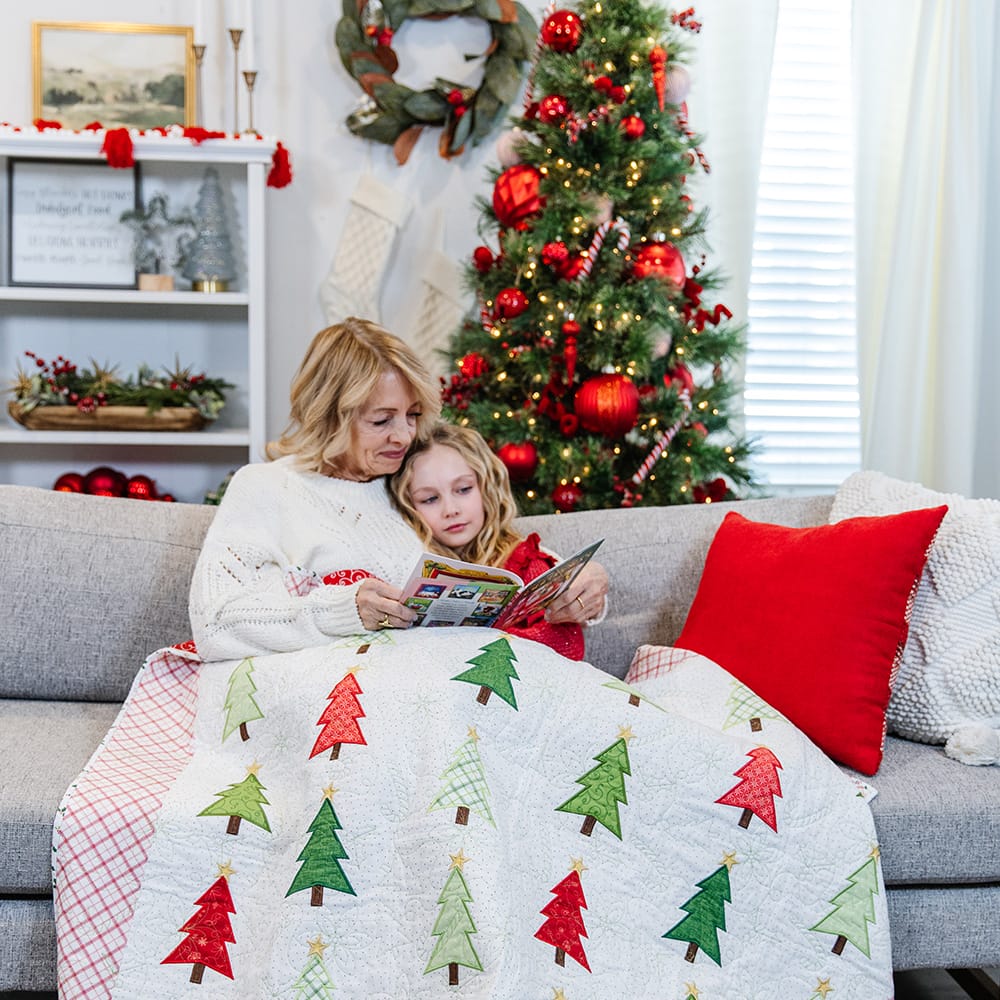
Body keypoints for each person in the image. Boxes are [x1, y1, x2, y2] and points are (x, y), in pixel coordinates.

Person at [188, 317, 608, 660]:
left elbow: (498, 553)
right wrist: (344, 612)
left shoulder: (407, 477)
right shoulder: (267, 487)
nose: (404, 435)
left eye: (413, 414)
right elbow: (214, 625)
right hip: (341, 699)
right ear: (329, 416)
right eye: (382, 420)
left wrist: (582, 583)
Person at [389, 421, 598, 659]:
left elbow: (567, 643)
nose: (451, 509)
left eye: (463, 489)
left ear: (485, 488)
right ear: (410, 508)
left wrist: (485, 642)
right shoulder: (406, 568)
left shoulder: (526, 561)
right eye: (429, 499)